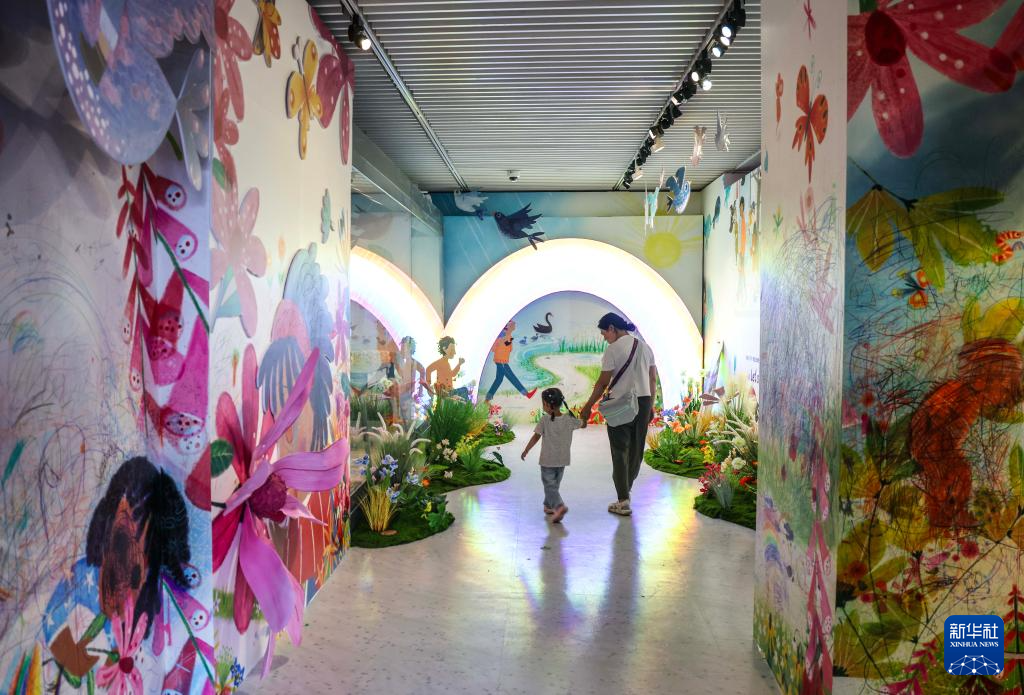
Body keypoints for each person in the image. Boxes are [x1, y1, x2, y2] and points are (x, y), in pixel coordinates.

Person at [580, 313, 657, 517]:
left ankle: (623, 500)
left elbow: (603, 382)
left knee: (620, 450)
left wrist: (588, 406)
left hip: (620, 403)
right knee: (636, 450)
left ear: (612, 328)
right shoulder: (646, 347)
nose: (604, 337)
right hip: (643, 402)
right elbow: (652, 378)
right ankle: (626, 491)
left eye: (604, 333)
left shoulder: (612, 350)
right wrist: (651, 405)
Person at [520, 388, 581, 523]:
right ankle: (548, 506)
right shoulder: (568, 419)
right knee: (553, 485)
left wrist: (526, 450)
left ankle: (559, 506)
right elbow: (582, 424)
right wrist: (585, 415)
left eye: (543, 403)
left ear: (547, 405)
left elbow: (536, 437)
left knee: (550, 486)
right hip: (562, 460)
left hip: (547, 461)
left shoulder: (545, 419)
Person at [485, 320, 537, 402]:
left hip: (502, 360)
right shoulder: (503, 337)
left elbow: (508, 349)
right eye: (513, 324)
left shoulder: (507, 336)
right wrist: (502, 341)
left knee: (499, 380)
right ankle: (527, 394)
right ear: (509, 326)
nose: (514, 325)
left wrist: (505, 342)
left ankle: (487, 399)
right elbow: (499, 348)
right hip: (502, 361)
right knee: (512, 377)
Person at [395, 336, 427, 422]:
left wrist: (420, 390)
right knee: (399, 417)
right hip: (399, 393)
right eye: (401, 347)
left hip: (409, 395)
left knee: (408, 418)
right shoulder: (400, 361)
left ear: (410, 349)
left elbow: (423, 370)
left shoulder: (413, 362)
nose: (402, 349)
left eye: (404, 347)